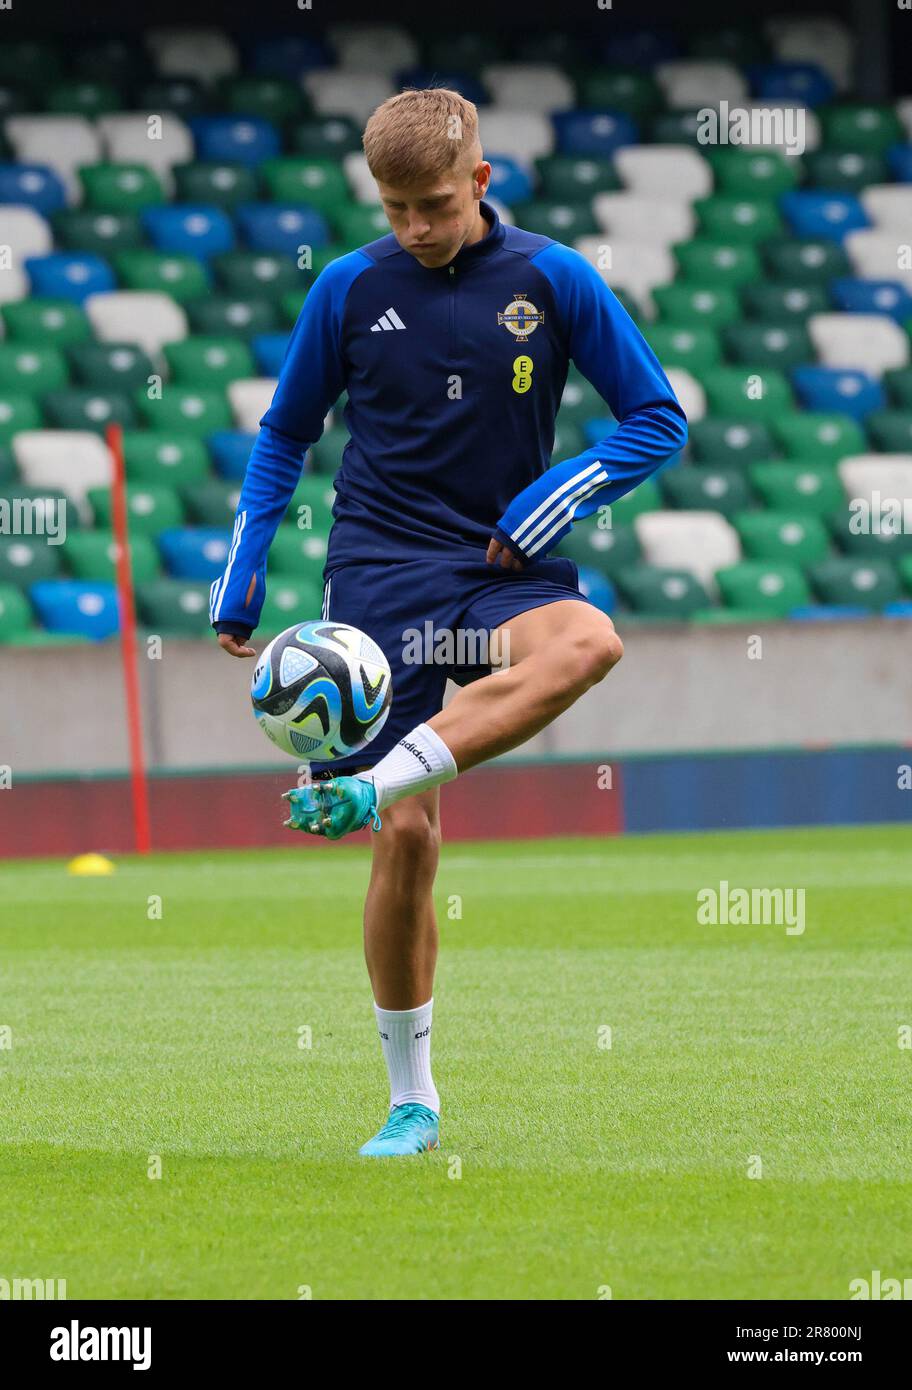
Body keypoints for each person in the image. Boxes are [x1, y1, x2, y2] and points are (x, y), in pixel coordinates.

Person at [211, 88, 687, 1157]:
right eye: (395, 211)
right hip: (380, 579)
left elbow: (658, 418)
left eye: (433, 204)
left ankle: (367, 785)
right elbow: (285, 434)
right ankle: (411, 1098)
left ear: (481, 182)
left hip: (502, 569)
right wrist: (243, 574)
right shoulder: (346, 290)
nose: (415, 229)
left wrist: (553, 500)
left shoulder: (554, 278)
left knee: (593, 641)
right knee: (413, 838)